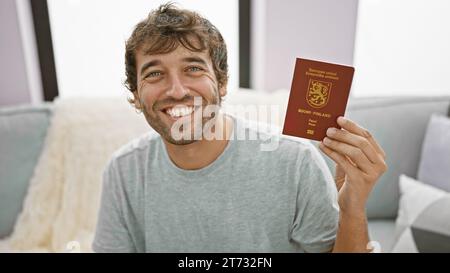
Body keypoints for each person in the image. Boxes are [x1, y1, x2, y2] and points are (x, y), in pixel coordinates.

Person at [92, 3, 387, 253]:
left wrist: (352, 208)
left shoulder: (295, 163)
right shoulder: (123, 172)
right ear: (135, 96)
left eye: (193, 68)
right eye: (155, 73)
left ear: (221, 83)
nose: (177, 89)